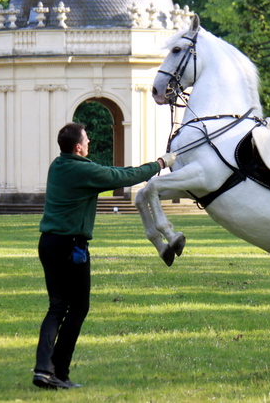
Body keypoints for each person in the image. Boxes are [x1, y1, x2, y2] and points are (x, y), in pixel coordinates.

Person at [32, 122, 176, 390]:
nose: (89, 143)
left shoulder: (58, 165)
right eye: (86, 140)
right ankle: (59, 373)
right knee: (77, 308)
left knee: (57, 307)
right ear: (77, 147)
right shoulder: (82, 170)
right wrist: (160, 163)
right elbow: (122, 177)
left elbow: (114, 172)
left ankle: (43, 370)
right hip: (71, 246)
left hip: (48, 243)